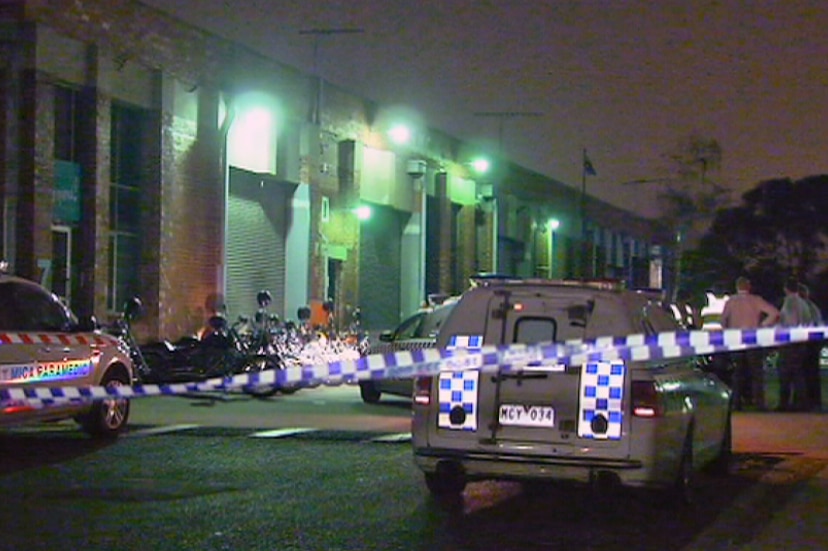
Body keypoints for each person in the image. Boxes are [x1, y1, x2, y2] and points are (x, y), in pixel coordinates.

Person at [720, 276, 780, 410]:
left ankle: (736, 403)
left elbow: (723, 320)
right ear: (749, 287)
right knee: (756, 372)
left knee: (737, 373)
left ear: (737, 287)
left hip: (736, 338)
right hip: (753, 337)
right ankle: (759, 403)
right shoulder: (755, 300)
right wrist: (763, 325)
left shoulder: (731, 301)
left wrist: (727, 331)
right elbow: (774, 313)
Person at [777, 277, 815, 411]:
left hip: (790, 342)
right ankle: (800, 402)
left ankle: (784, 403)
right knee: (798, 374)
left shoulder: (789, 302)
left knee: (785, 374)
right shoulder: (803, 303)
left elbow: (789, 321)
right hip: (801, 341)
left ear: (786, 288)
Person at [799, 283, 823, 411]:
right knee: (812, 373)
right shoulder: (813, 306)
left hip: (809, 343)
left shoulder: (805, 307)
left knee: (807, 372)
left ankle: (809, 401)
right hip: (814, 342)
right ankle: (814, 401)